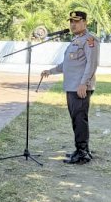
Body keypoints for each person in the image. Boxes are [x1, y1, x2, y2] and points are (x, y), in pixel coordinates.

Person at [40, 10, 100, 164]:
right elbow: (66, 64)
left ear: (85, 23)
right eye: (71, 22)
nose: (73, 24)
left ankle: (82, 154)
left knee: (80, 120)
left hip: (80, 87)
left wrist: (84, 84)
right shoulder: (75, 41)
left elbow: (92, 64)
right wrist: (51, 71)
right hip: (71, 86)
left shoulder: (90, 40)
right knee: (76, 119)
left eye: (76, 21)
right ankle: (81, 149)